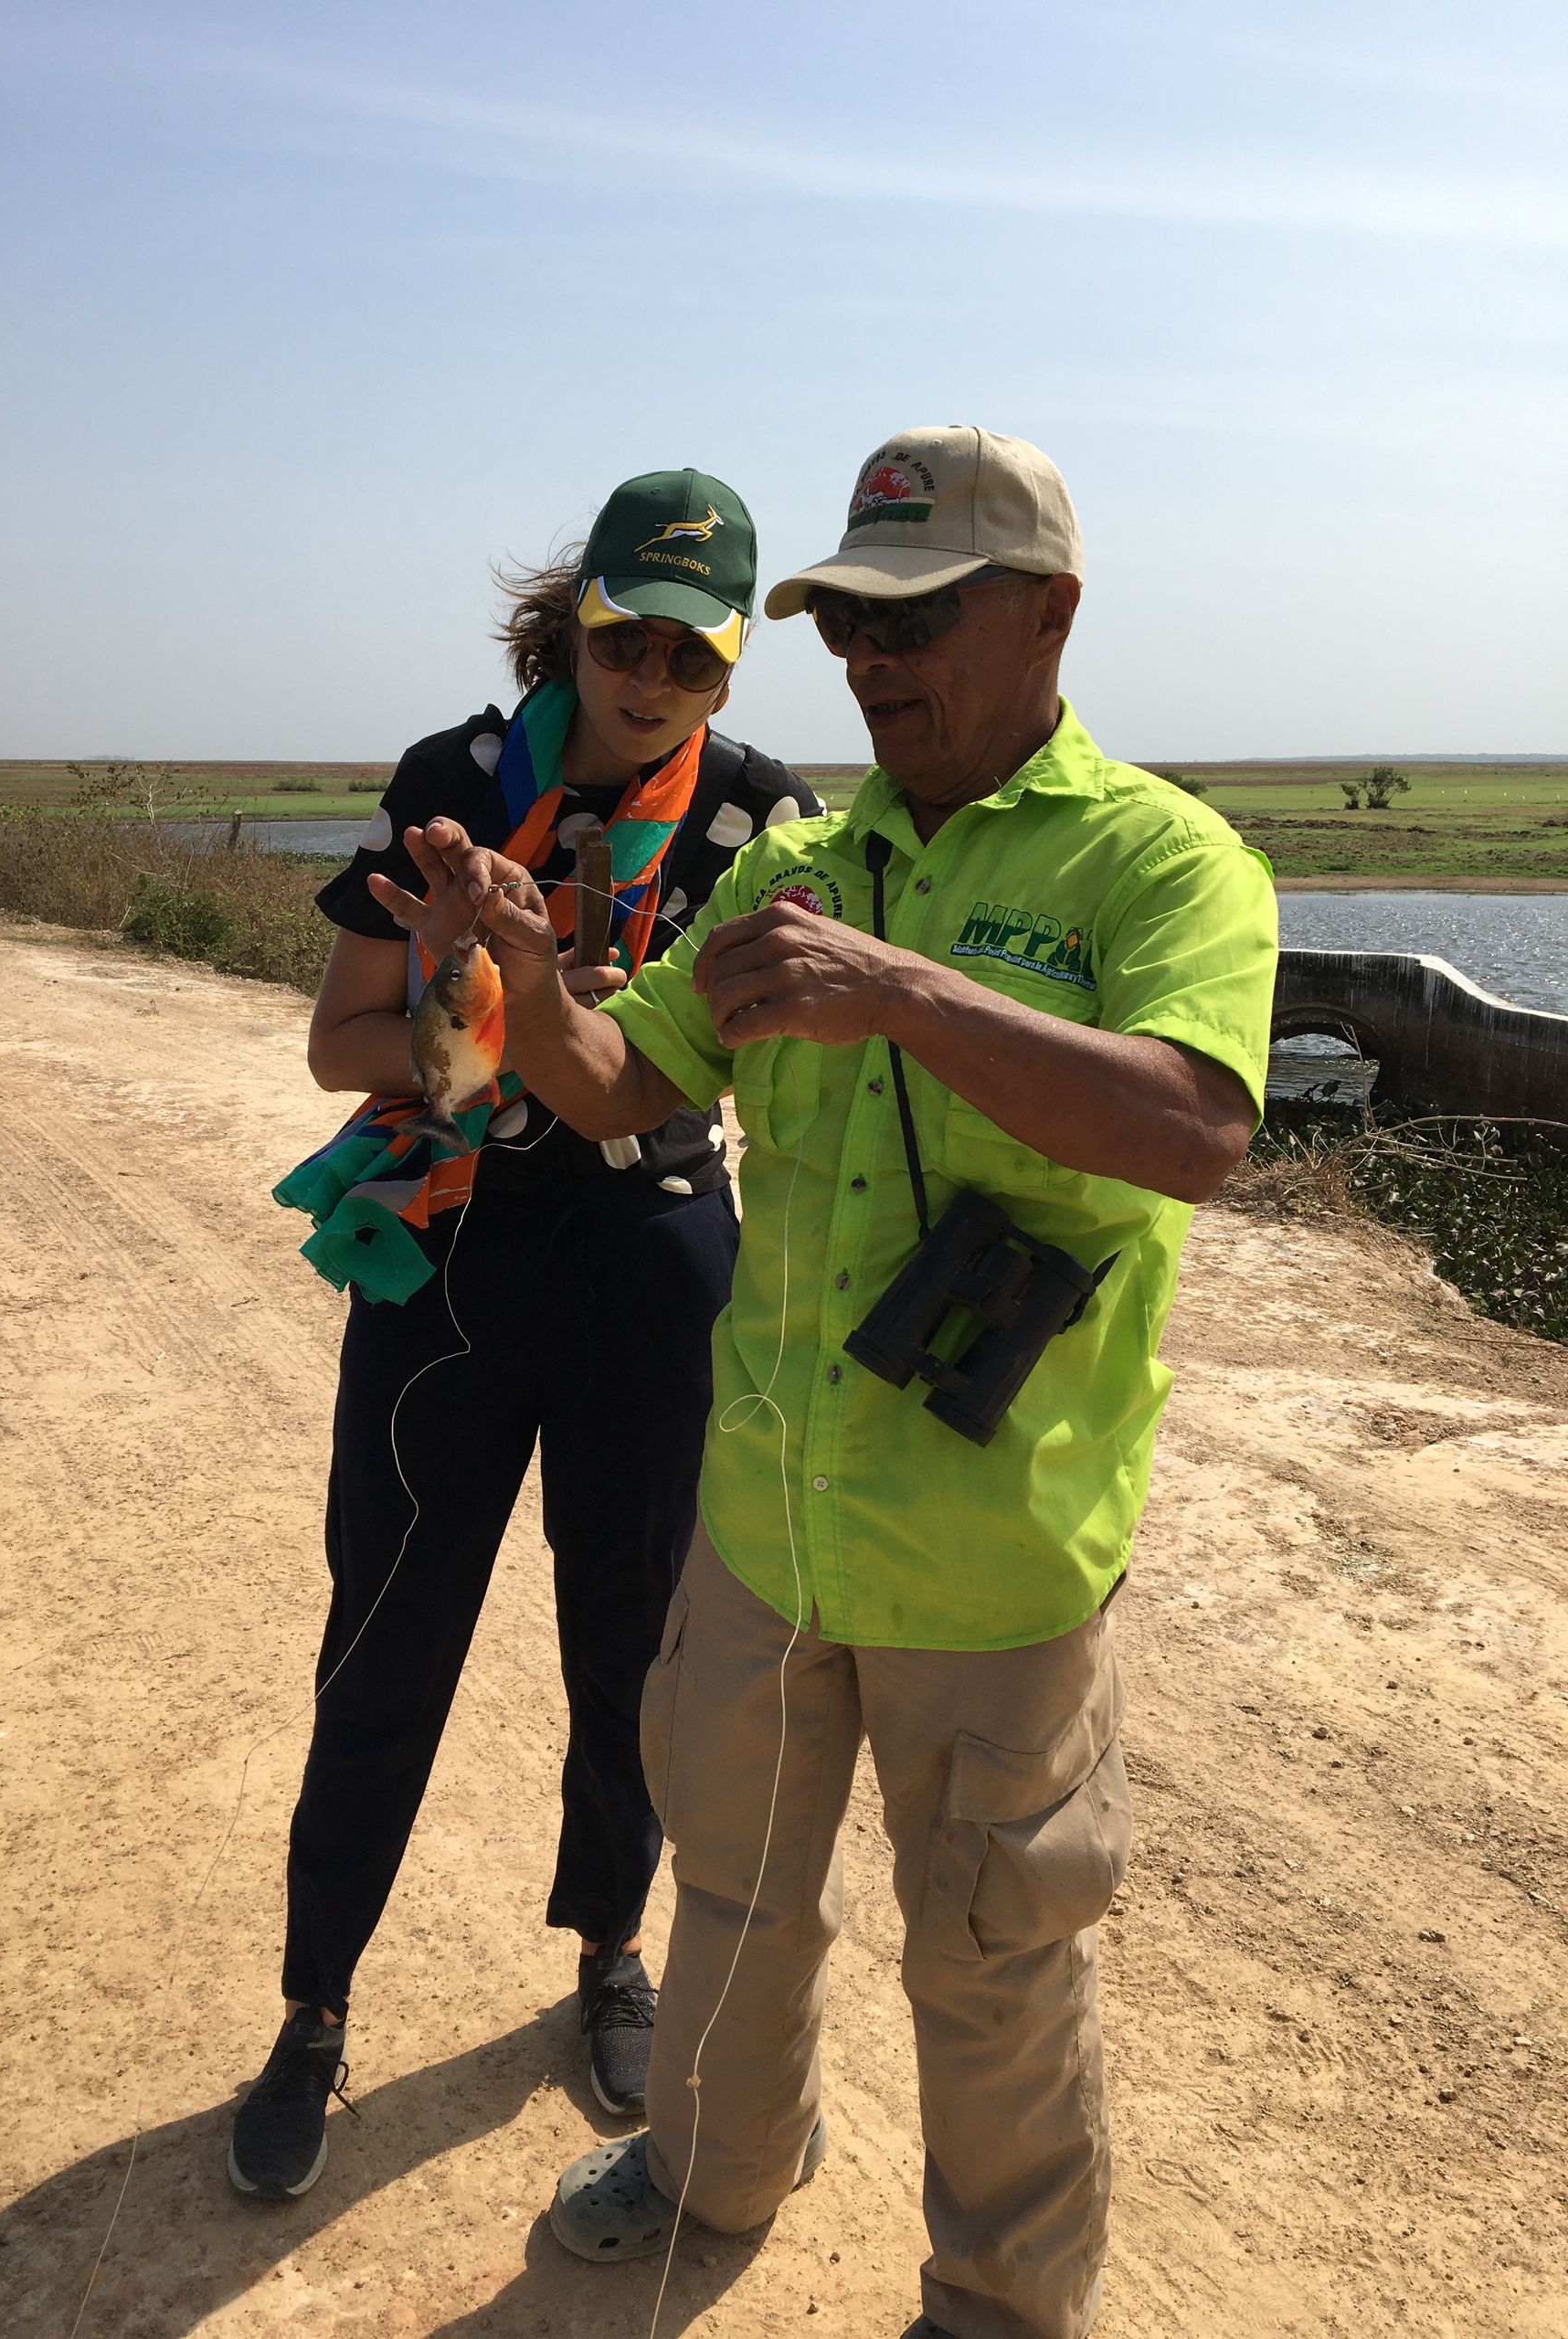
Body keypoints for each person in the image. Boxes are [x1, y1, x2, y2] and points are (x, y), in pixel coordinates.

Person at [404, 428, 1279, 2337]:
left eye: (920, 615)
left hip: (993, 1554)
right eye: (847, 623)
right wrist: (527, 974)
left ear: (1047, 613)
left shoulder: (1164, 860)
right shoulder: (795, 868)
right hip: (767, 1519)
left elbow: (1201, 1129)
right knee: (729, 1886)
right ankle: (712, 2163)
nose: (875, 659)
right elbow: (624, 1080)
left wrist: (906, 994)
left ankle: (1000, 2300)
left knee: (994, 1958)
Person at [228, 470, 822, 2202]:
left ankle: (607, 1956)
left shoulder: (765, 824)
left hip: (654, 1264)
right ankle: (314, 2006)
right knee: (388, 1630)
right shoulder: (447, 792)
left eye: (690, 660)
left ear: (725, 676)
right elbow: (337, 1047)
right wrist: (452, 1000)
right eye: (622, 638)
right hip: (456, 1256)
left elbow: (773, 1088)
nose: (648, 681)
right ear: (575, 620)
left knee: (636, 1642)